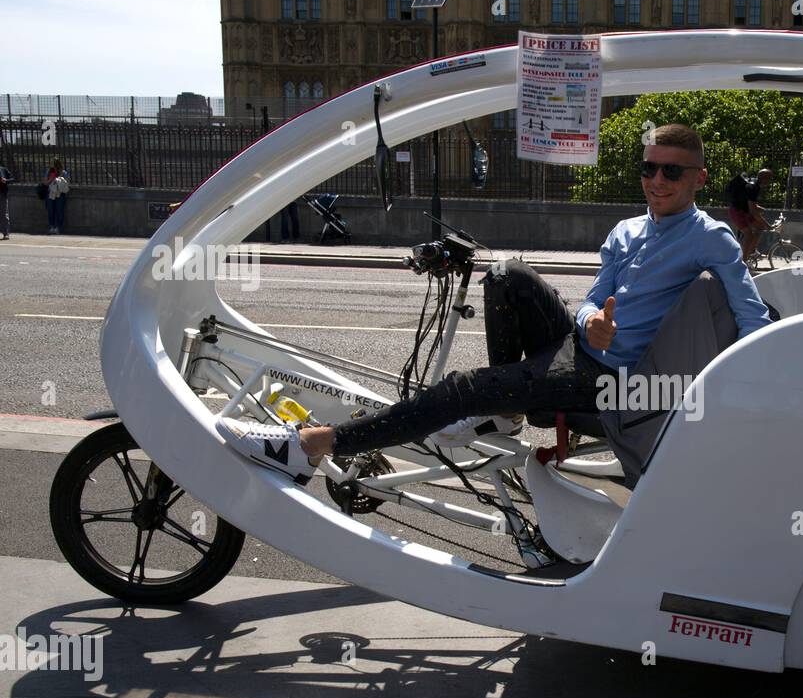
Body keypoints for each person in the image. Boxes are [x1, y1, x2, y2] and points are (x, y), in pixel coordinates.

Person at [218, 123, 772, 481]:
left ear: (698, 179)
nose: (657, 180)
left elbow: (752, 318)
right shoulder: (627, 230)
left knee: (463, 388)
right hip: (583, 348)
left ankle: (314, 445)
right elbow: (591, 304)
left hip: (614, 379)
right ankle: (506, 409)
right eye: (649, 167)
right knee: (505, 273)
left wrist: (760, 392)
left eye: (671, 171)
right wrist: (589, 321)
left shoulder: (710, 238)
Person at [725, 167, 773, 261]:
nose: (770, 181)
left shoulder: (755, 184)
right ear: (764, 179)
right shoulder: (753, 187)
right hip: (737, 212)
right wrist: (767, 225)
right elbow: (754, 212)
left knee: (760, 227)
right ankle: (743, 261)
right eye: (770, 178)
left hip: (744, 212)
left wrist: (760, 210)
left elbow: (750, 204)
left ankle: (751, 251)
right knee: (749, 235)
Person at [44, 159, 70, 234]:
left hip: (60, 194)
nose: (53, 166)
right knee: (50, 210)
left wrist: (60, 179)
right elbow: (45, 183)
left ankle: (58, 227)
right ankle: (52, 226)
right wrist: (51, 179)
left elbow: (67, 183)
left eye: (54, 164)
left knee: (59, 211)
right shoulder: (48, 172)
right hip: (51, 193)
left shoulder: (63, 172)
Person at [0, 164, 12, 239]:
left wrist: (6, 180)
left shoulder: (3, 169)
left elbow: (13, 178)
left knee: (4, 214)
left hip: (2, 194)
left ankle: (6, 233)